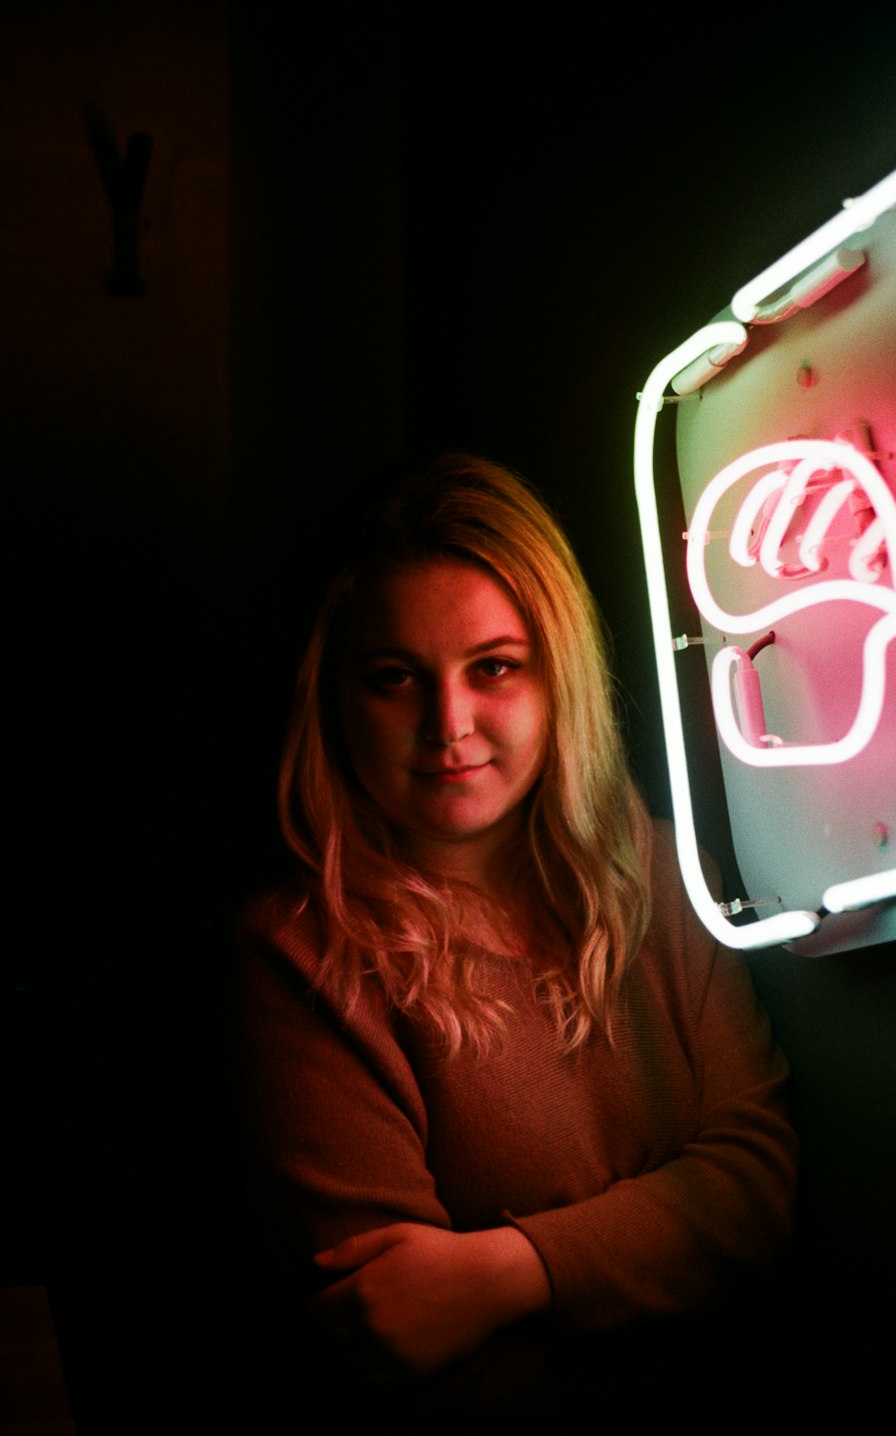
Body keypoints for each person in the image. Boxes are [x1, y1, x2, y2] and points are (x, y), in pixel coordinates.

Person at [231, 453, 797, 1427]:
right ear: (336, 698)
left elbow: (754, 1182)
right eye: (394, 678)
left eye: (492, 666)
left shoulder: (656, 869)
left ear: (556, 673)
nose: (448, 724)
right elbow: (400, 1333)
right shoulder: (298, 955)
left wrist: (506, 1269)